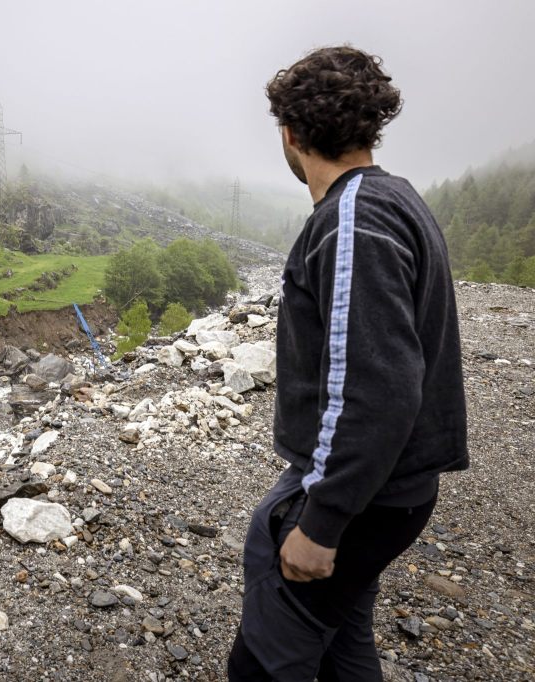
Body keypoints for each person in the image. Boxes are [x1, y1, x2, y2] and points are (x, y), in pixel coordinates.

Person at [227, 46, 469, 681]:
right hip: (391, 490)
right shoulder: (393, 198)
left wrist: (323, 521)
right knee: (341, 639)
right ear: (369, 127)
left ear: (291, 133)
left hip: (364, 497)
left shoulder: (354, 220)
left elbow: (377, 386)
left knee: (264, 662)